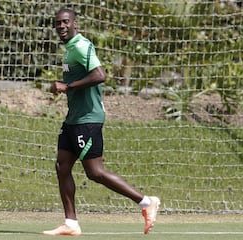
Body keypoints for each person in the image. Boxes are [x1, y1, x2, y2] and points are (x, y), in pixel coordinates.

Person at [43, 8, 160, 236]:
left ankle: (146, 202)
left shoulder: (80, 46)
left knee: (95, 172)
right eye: (57, 23)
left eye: (65, 22)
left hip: (88, 119)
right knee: (62, 166)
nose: (61, 26)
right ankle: (71, 223)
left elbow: (100, 75)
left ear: (75, 23)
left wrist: (67, 86)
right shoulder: (69, 49)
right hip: (73, 119)